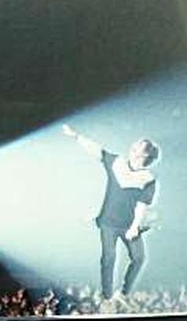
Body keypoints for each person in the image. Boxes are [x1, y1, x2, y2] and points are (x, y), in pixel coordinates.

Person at [63, 124, 160, 301]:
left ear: (144, 157)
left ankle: (124, 292)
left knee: (138, 258)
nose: (133, 149)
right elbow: (97, 151)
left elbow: (141, 206)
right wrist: (76, 136)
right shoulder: (117, 163)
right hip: (108, 222)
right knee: (109, 258)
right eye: (135, 147)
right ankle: (107, 294)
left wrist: (134, 227)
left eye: (138, 149)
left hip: (129, 225)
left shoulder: (148, 179)